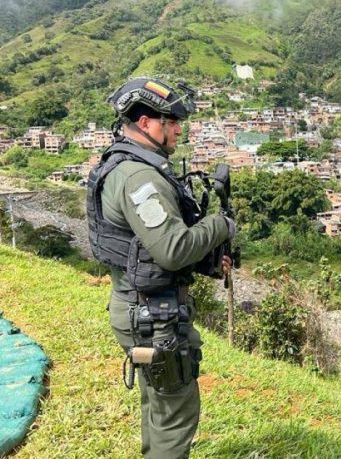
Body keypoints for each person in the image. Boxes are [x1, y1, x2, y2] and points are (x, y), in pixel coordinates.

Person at [86, 77, 235, 458]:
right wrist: (221, 224)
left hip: (143, 308)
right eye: (171, 122)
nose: (178, 130)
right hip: (154, 316)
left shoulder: (124, 166)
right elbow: (172, 248)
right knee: (174, 416)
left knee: (158, 404)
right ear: (147, 122)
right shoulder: (139, 177)